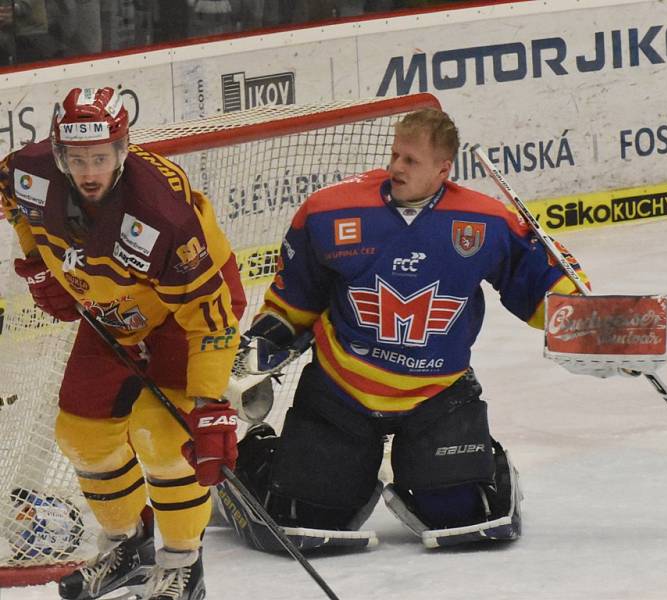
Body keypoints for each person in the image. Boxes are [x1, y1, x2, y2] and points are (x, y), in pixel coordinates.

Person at [218, 108, 589, 551]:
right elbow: (295, 302)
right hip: (341, 394)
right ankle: (256, 454)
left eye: (410, 160)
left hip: (437, 395)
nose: (396, 166)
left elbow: (546, 290)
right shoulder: (329, 212)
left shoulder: (486, 222)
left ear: (443, 169)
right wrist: (261, 349)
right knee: (301, 516)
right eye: (395, 154)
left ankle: (478, 462)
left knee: (471, 515)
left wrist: (594, 326)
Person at [0, 87, 245, 599]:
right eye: (78, 158)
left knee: (163, 437)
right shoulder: (30, 170)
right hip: (113, 311)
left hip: (187, 311)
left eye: (102, 158)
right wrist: (37, 263)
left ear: (123, 150)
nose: (90, 171)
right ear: (59, 153)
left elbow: (212, 318)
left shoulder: (163, 214)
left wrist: (209, 403)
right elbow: (13, 199)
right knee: (80, 434)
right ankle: (127, 545)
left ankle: (182, 565)